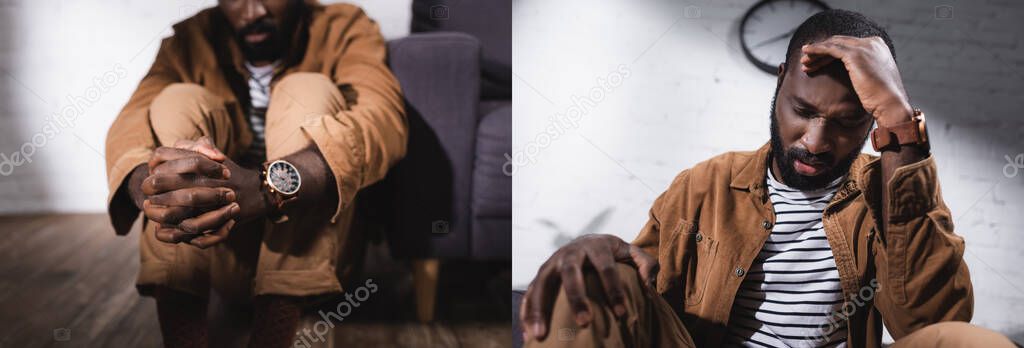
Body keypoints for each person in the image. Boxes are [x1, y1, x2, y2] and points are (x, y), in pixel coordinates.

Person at [519, 9, 1016, 348]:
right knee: (582, 279)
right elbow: (632, 292)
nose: (816, 142)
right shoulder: (703, 186)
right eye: (802, 110)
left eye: (847, 123)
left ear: (872, 124)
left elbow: (929, 324)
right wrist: (592, 247)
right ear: (780, 81)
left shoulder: (891, 192)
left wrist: (902, 126)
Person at [103, 0, 405, 347]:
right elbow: (130, 124)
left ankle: (274, 333)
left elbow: (383, 118)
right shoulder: (190, 39)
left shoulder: (343, 25)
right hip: (220, 248)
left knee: (306, 88)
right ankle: (183, 338)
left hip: (319, 254)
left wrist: (268, 188)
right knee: (177, 99)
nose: (253, 11)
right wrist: (153, 186)